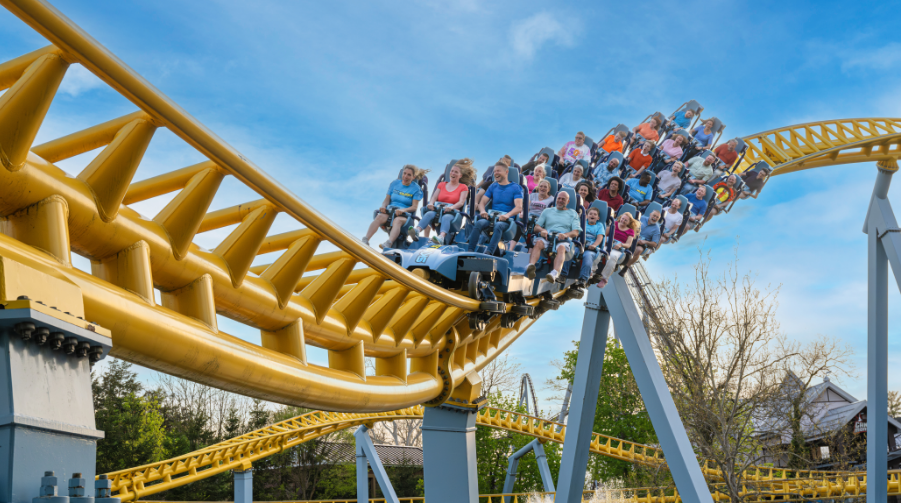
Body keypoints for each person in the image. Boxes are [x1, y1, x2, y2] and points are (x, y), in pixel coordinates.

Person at [409, 159, 474, 245]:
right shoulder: (442, 184)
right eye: (452, 171)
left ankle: (441, 237)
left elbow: (461, 202)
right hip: (438, 210)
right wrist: (431, 204)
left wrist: (451, 207)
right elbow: (434, 197)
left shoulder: (463, 187)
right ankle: (417, 230)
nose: (453, 173)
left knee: (446, 217)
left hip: (452, 213)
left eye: (456, 172)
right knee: (428, 214)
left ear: (460, 175)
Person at [467, 162, 523, 255]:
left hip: (506, 221)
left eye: (498, 171)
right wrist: (482, 211)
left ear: (506, 172)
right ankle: (470, 250)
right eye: (494, 171)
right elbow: (482, 202)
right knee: (479, 223)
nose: (495, 173)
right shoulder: (493, 186)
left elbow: (519, 207)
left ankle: (489, 252)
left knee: (499, 226)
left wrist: (507, 215)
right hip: (492, 217)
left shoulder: (516, 188)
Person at [524, 191, 581, 283]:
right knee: (538, 243)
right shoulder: (547, 211)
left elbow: (576, 231)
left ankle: (554, 273)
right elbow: (536, 227)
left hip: (562, 238)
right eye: (559, 198)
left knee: (561, 247)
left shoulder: (573, 213)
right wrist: (542, 230)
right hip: (548, 236)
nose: (560, 200)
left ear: (568, 201)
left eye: (563, 199)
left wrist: (566, 235)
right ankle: (531, 266)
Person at [363, 165, 425, 248]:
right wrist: (383, 206)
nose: (405, 176)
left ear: (413, 177)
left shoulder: (416, 189)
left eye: (409, 175)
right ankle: (365, 240)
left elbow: (414, 207)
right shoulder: (394, 183)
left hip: (404, 216)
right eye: (404, 173)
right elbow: (387, 199)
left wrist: (403, 210)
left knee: (397, 221)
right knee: (379, 217)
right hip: (390, 212)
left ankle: (389, 243)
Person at [596, 212, 638, 288]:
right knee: (599, 251)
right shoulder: (614, 224)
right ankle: (591, 270)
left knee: (612, 256)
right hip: (608, 243)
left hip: (618, 248)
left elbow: (628, 244)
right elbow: (605, 234)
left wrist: (621, 244)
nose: (623, 221)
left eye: (626, 220)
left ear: (629, 222)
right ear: (620, 218)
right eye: (623, 219)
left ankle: (604, 278)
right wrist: (605, 240)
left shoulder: (630, 231)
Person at [577, 205, 605, 285]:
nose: (592, 215)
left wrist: (594, 245)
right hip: (579, 244)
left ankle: (583, 278)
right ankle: (563, 274)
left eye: (595, 214)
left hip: (590, 248)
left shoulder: (599, 226)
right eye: (590, 214)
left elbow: (600, 237)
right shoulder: (583, 223)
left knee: (588, 257)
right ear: (587, 216)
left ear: (598, 218)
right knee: (569, 251)